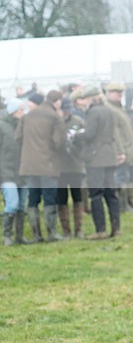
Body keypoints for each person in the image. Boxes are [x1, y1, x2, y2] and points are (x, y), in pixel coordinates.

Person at [16, 90, 67, 242]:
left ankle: (36, 234)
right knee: (49, 198)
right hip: (48, 164)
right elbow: (59, 142)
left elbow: (18, 137)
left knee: (33, 199)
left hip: (29, 164)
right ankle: (51, 233)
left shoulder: (27, 116)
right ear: (57, 102)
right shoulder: (54, 117)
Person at [73, 87, 123, 240]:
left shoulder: (93, 112)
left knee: (96, 194)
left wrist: (77, 135)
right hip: (109, 155)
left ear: (91, 98)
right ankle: (116, 228)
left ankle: (100, 230)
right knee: (111, 194)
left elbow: (89, 134)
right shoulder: (108, 110)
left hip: (96, 159)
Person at [105, 82, 133, 212]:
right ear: (109, 93)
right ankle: (123, 206)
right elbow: (114, 134)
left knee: (132, 175)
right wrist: (120, 151)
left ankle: (129, 203)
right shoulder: (110, 110)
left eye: (121, 93)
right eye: (116, 92)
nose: (119, 95)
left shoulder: (119, 108)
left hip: (130, 148)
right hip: (122, 150)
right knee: (122, 177)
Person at [57, 100, 86, 238]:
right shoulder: (56, 123)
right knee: (61, 199)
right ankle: (66, 230)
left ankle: (79, 229)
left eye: (68, 109)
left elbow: (85, 140)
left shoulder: (78, 121)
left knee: (77, 197)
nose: (66, 112)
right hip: (60, 167)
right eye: (64, 110)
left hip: (76, 165)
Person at [1, 98, 28, 245]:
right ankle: (7, 236)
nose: (23, 113)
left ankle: (20, 236)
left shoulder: (23, 126)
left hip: (23, 171)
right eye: (20, 110)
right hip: (6, 172)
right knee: (12, 203)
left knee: (22, 206)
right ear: (12, 111)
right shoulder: (1, 126)